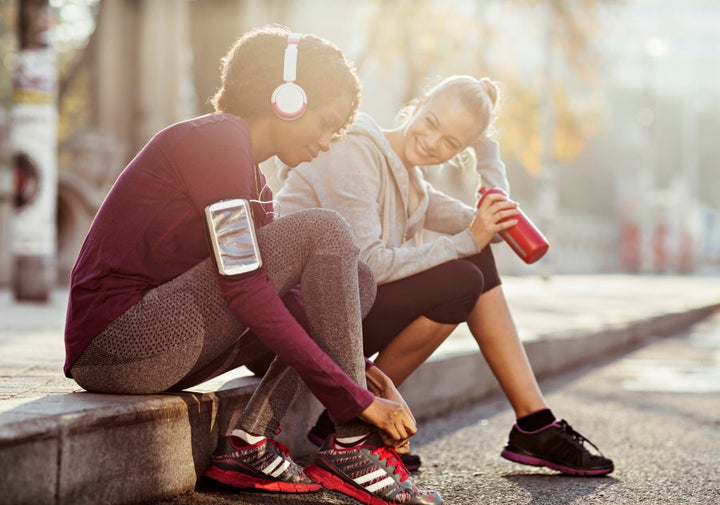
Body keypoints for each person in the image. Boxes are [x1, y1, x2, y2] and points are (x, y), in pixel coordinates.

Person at [63, 25, 443, 505]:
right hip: (117, 343)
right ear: (287, 99)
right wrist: (356, 401)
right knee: (325, 230)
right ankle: (351, 444)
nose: (328, 142)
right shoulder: (215, 140)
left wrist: (365, 374)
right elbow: (244, 289)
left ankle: (249, 442)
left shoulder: (254, 180)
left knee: (356, 279)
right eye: (326, 123)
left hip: (165, 344)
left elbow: (290, 304)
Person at [275, 74, 614, 477]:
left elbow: (492, 228)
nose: (434, 143)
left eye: (452, 142)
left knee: (476, 259)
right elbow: (367, 264)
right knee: (461, 277)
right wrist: (469, 239)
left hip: (336, 317)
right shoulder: (354, 149)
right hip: (287, 323)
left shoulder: (415, 187)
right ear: (417, 105)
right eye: (432, 122)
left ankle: (534, 421)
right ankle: (345, 420)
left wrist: (487, 153)